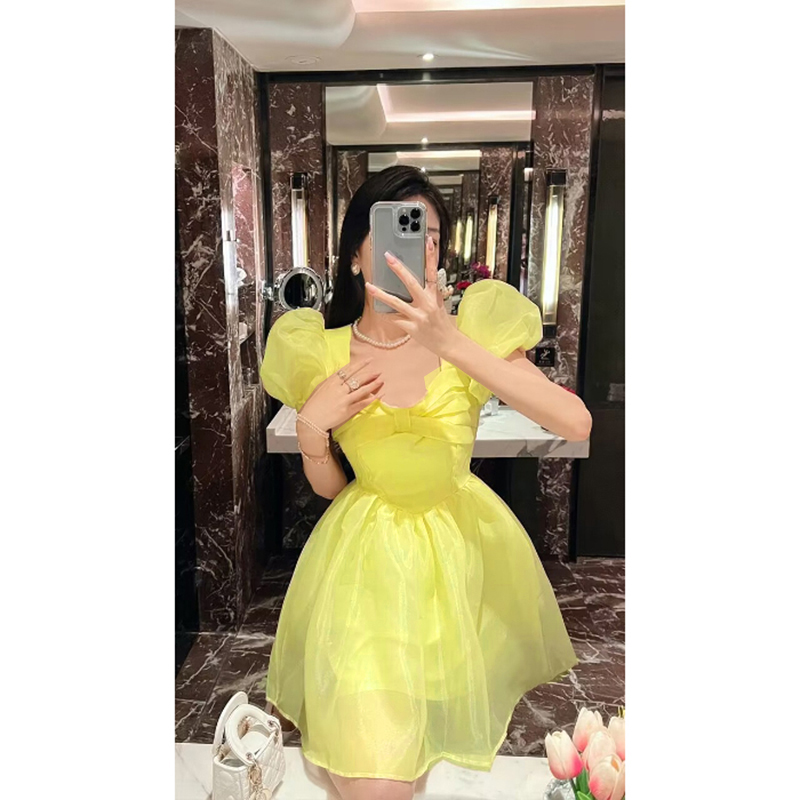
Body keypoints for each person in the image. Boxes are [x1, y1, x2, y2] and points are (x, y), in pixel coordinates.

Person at [260, 166, 591, 800]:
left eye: (431, 236)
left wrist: (452, 342)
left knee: (413, 763)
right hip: (365, 570)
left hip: (455, 572)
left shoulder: (474, 332)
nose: (420, 248)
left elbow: (574, 422)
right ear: (355, 255)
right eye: (400, 232)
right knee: (375, 779)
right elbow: (330, 488)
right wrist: (310, 429)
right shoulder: (317, 351)